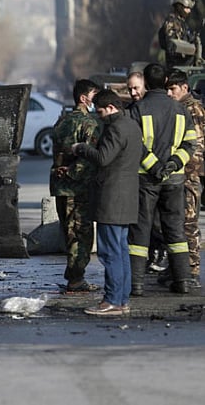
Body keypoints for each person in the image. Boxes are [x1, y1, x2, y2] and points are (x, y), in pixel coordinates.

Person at [128, 63, 198, 295]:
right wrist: (174, 163)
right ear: (166, 80)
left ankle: (136, 285)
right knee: (176, 231)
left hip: (146, 180)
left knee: (140, 231)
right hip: (175, 179)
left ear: (145, 83)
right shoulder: (181, 110)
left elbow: (133, 144)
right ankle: (183, 281)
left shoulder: (137, 109)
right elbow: (190, 143)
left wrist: (154, 166)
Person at [72, 90, 143, 315]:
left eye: (100, 111)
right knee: (121, 250)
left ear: (111, 107)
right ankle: (122, 300)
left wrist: (81, 149)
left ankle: (112, 300)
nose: (99, 115)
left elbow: (103, 158)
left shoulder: (116, 128)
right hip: (127, 197)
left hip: (112, 199)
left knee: (110, 252)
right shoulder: (132, 125)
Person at [51, 79, 101, 293]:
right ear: (83, 98)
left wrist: (64, 172)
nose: (96, 101)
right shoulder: (89, 123)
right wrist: (73, 173)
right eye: (94, 96)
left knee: (69, 233)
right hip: (78, 188)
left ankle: (74, 277)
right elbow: (89, 157)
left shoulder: (62, 121)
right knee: (81, 236)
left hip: (60, 186)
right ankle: (75, 279)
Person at [165, 69, 205, 289]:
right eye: (167, 89)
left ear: (184, 88)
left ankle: (191, 269)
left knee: (188, 223)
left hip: (188, 174)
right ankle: (177, 268)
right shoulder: (180, 108)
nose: (170, 93)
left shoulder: (192, 109)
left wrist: (183, 168)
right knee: (177, 223)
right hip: (180, 173)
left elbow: (196, 148)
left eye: (173, 89)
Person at [159, 0, 198, 69]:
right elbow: (171, 46)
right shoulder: (172, 22)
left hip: (185, 63)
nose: (189, 11)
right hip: (177, 65)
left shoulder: (181, 23)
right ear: (179, 7)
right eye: (187, 8)